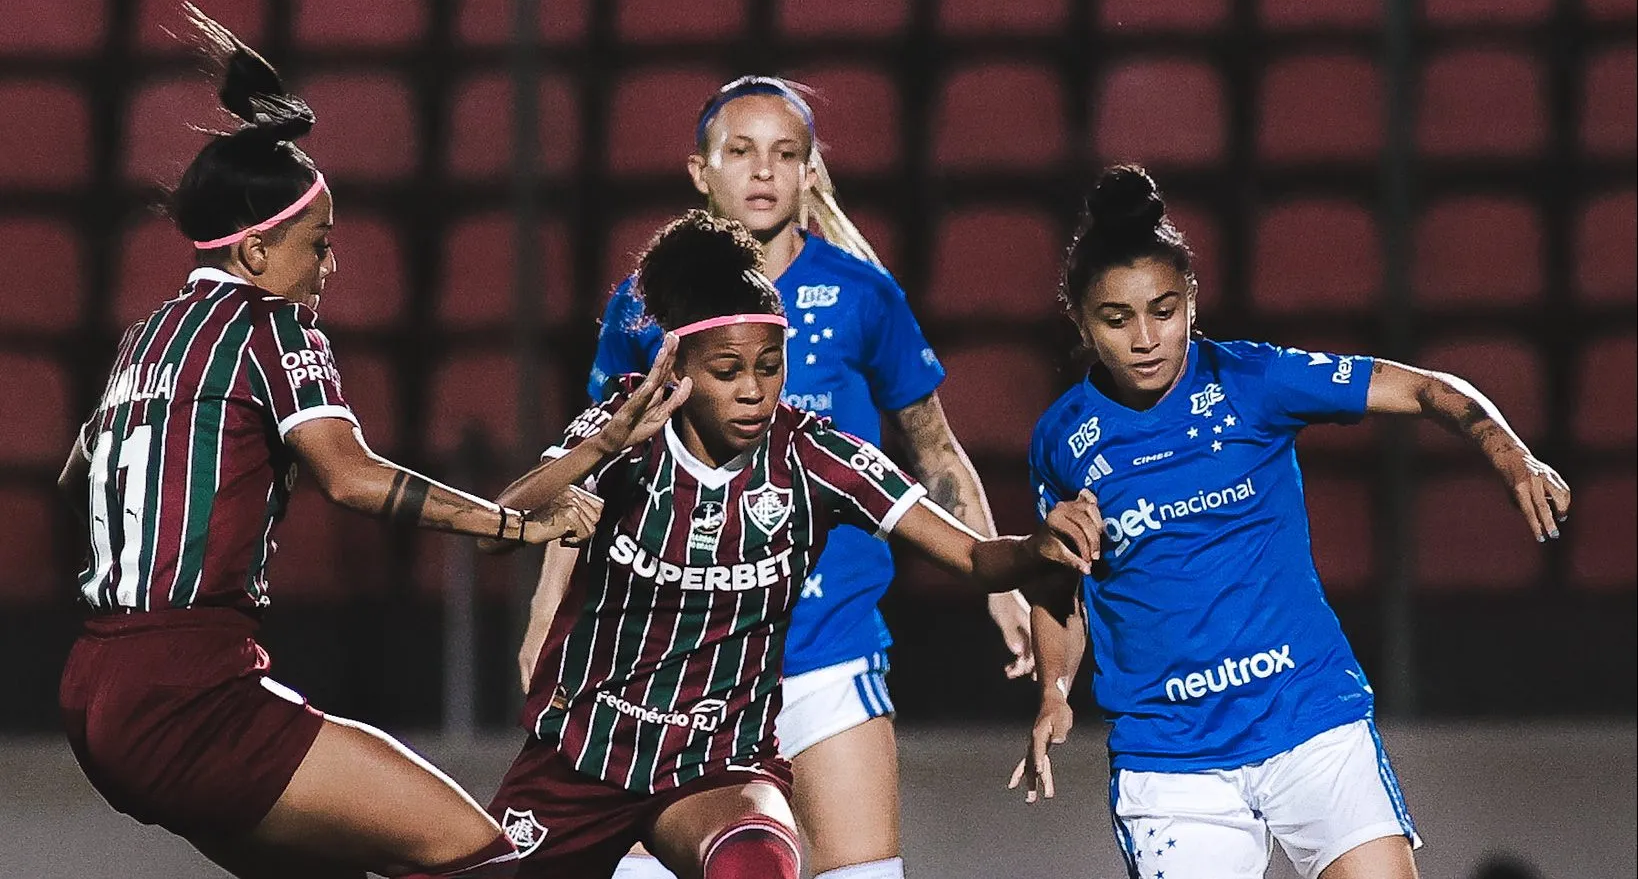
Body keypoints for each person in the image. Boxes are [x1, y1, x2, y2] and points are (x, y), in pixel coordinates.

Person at [55, 6, 608, 879]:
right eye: (318, 245)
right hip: (188, 689)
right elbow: (351, 480)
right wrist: (517, 531)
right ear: (255, 250)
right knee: (480, 854)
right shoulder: (273, 329)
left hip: (94, 683)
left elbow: (80, 465)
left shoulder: (145, 336)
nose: (329, 267)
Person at [479, 209, 1101, 879]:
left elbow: (977, 557)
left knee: (757, 858)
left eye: (769, 366)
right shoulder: (625, 427)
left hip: (713, 766)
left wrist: (1036, 546)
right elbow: (494, 529)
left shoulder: (813, 454)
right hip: (583, 757)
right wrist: (603, 446)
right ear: (679, 366)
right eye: (727, 370)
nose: (752, 390)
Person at [1010, 165, 1572, 879]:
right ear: (1081, 321)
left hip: (1310, 716)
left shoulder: (1254, 381)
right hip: (1173, 761)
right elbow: (1062, 588)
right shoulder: (1062, 440)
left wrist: (1510, 452)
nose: (1146, 337)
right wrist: (1054, 691)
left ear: (1193, 301)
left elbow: (1426, 387)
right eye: (1117, 320)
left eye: (1165, 309)